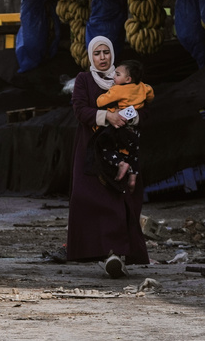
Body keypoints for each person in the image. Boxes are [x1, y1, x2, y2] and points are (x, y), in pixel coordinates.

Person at [66, 36, 148, 279]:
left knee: (121, 200)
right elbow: (80, 109)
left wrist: (126, 116)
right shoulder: (84, 80)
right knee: (93, 200)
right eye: (97, 53)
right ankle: (106, 253)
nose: (102, 58)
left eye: (106, 53)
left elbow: (143, 106)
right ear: (91, 57)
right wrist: (107, 117)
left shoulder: (124, 78)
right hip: (92, 151)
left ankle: (118, 254)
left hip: (121, 150)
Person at [93, 60, 154, 193]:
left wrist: (105, 94)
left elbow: (100, 102)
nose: (114, 77)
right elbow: (150, 95)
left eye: (117, 74)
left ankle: (121, 163)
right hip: (136, 128)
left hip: (122, 126)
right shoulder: (144, 87)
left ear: (128, 79)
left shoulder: (118, 90)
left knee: (107, 148)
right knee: (134, 153)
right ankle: (133, 177)